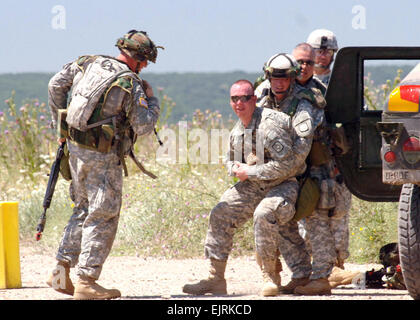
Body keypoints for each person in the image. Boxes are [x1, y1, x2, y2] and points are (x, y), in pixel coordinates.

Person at [46, 30, 162, 300]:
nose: (144, 67)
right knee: (104, 214)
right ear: (139, 59)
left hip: (75, 149)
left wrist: (59, 126)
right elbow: (144, 125)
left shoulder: (88, 62)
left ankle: (61, 272)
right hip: (103, 155)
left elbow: (55, 85)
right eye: (144, 62)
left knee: (83, 208)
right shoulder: (129, 82)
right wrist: (152, 100)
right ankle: (87, 281)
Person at [182, 79, 306, 297]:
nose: (239, 103)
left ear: (254, 100)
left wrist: (250, 172)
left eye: (245, 98)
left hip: (283, 185)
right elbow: (230, 158)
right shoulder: (238, 129)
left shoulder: (269, 126)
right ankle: (215, 278)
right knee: (221, 211)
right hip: (254, 186)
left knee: (264, 213)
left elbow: (288, 165)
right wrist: (234, 167)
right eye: (234, 98)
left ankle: (269, 277)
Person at [256, 53, 335, 295]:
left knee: (317, 221)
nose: (279, 83)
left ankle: (322, 278)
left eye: (284, 78)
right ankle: (301, 274)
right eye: (274, 78)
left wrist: (275, 170)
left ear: (291, 79)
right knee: (281, 219)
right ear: (268, 77)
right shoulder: (263, 101)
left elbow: (302, 149)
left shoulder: (304, 103)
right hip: (282, 175)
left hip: (313, 170)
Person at [300, 36, 353, 270]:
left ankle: (337, 266)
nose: (322, 54)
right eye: (317, 50)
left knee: (339, 214)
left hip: (336, 161)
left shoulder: (344, 83)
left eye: (327, 50)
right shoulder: (296, 83)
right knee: (308, 213)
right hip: (306, 161)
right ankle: (312, 267)